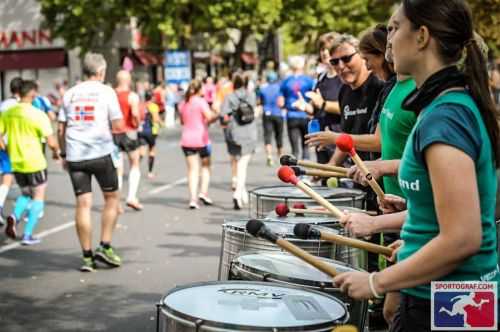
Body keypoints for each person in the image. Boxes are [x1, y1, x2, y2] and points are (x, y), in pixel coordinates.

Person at [334, 2, 500, 332]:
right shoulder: (444, 106)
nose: (389, 39)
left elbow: (463, 238)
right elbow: (450, 214)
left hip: (451, 298)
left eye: (395, 28)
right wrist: (416, 238)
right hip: (453, 293)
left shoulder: (446, 117)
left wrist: (377, 282)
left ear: (422, 36)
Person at [58, 52, 124, 272]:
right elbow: (117, 124)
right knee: (112, 198)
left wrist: (64, 154)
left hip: (76, 155)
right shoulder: (106, 91)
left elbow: (61, 128)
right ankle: (105, 246)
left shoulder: (69, 93)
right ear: (101, 72)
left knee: (83, 204)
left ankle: (87, 257)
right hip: (100, 153)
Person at [2, 80, 59, 245]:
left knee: (26, 193)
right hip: (35, 162)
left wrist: (5, 148)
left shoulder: (8, 113)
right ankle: (27, 235)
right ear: (33, 94)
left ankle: (14, 216)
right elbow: (51, 142)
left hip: (16, 161)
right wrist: (56, 153)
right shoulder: (37, 114)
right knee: (38, 196)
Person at [179, 79, 219, 209]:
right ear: (198, 90)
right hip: (202, 139)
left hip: (186, 140)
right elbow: (209, 117)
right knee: (206, 167)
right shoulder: (201, 102)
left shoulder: (183, 103)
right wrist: (217, 114)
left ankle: (193, 199)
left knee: (192, 170)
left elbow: (182, 121)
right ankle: (203, 192)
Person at [221, 72, 258, 210]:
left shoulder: (229, 97)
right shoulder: (251, 95)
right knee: (243, 165)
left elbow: (222, 114)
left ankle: (241, 192)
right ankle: (238, 193)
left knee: (238, 163)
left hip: (234, 134)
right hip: (249, 133)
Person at [113, 70, 143, 211]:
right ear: (128, 81)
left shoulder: (111, 95)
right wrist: (137, 124)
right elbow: (135, 114)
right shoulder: (132, 96)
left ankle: (116, 201)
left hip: (113, 133)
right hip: (129, 132)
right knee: (135, 163)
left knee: (117, 169)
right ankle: (131, 197)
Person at [278, 56, 315, 160]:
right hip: (306, 115)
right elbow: (313, 97)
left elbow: (280, 102)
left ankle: (295, 170)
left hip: (291, 115)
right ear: (302, 66)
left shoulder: (285, 81)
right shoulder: (308, 81)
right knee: (306, 146)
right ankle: (305, 172)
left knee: (294, 148)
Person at [0, 77, 23, 225]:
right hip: (8, 145)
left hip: (2, 142)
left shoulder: (3, 104)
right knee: (8, 177)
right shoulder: (18, 106)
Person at [258, 72, 284, 166]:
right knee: (279, 135)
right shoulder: (280, 88)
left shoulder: (263, 89)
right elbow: (282, 102)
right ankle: (280, 157)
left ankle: (269, 156)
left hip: (267, 113)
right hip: (278, 113)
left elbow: (260, 102)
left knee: (267, 135)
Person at [138, 90, 162, 179]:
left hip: (141, 131)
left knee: (142, 152)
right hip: (151, 131)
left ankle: (135, 167)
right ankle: (150, 172)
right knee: (151, 151)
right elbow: (156, 119)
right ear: (152, 97)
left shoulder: (141, 105)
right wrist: (161, 123)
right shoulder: (153, 106)